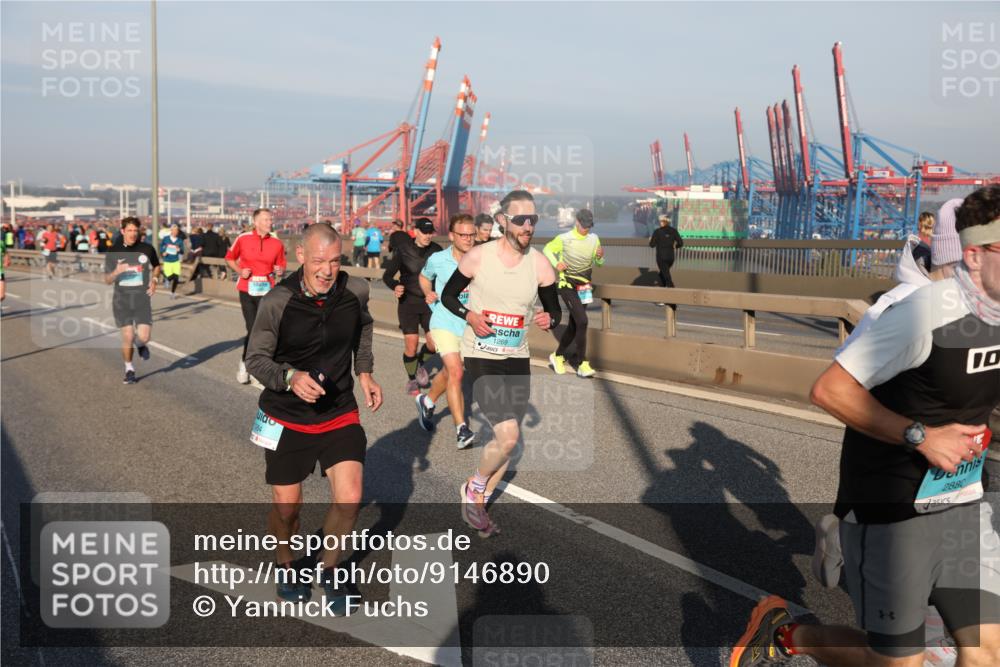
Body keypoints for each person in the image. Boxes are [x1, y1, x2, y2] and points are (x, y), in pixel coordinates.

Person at [730, 184, 1000, 667]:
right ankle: (791, 635)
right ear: (975, 256)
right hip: (894, 509)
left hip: (963, 504)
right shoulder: (921, 313)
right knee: (898, 662)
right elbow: (830, 390)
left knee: (989, 652)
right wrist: (922, 436)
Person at [244, 222, 382, 611]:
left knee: (351, 497)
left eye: (335, 261)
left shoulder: (355, 290)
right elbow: (255, 359)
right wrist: (289, 378)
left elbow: (364, 329)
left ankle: (330, 568)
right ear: (301, 256)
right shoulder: (277, 300)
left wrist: (365, 372)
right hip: (286, 416)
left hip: (338, 410)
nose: (327, 270)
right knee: (288, 509)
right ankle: (286, 564)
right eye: (319, 261)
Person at [440, 190, 560, 537]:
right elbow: (448, 296)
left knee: (510, 440)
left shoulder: (539, 264)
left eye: (533, 220)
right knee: (507, 435)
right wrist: (470, 315)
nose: (528, 226)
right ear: (502, 221)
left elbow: (554, 310)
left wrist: (548, 319)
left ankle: (478, 504)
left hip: (517, 357)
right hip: (481, 354)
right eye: (521, 219)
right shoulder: (479, 257)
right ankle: (474, 487)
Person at [417, 213, 477, 448]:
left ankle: (428, 401)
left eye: (472, 235)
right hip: (443, 321)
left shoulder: (481, 259)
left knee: (451, 372)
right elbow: (424, 277)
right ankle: (461, 429)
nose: (468, 239)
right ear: (452, 235)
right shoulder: (438, 259)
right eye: (463, 235)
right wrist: (427, 293)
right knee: (456, 372)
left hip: (469, 325)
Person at [225, 209, 287, 386]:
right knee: (253, 329)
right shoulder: (243, 238)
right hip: (247, 289)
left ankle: (260, 369)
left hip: (267, 291)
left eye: (270, 219)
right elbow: (229, 258)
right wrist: (239, 271)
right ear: (256, 221)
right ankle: (246, 363)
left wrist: (280, 270)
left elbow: (281, 263)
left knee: (266, 330)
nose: (270, 222)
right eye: (266, 219)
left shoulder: (276, 243)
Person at [382, 217, 442, 395]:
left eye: (431, 232)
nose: (428, 236)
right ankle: (412, 380)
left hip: (429, 303)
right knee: (411, 344)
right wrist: (396, 286)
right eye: (424, 232)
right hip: (408, 302)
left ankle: (420, 364)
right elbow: (387, 276)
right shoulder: (403, 250)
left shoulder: (437, 251)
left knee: (433, 345)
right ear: (415, 231)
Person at [543, 208, 604, 378]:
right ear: (577, 222)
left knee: (575, 325)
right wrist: (557, 263)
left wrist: (600, 256)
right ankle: (582, 363)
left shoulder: (594, 238)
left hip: (584, 287)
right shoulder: (564, 238)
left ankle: (557, 356)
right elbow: (547, 249)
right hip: (567, 285)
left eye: (589, 226)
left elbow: (598, 263)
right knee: (583, 321)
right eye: (583, 225)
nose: (586, 229)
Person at [104, 217, 160, 385]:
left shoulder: (147, 249)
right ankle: (129, 369)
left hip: (142, 300)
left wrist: (155, 280)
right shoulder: (114, 251)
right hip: (122, 300)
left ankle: (140, 344)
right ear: (122, 231)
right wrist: (117, 272)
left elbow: (157, 266)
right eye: (129, 230)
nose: (133, 234)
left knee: (144, 337)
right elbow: (107, 280)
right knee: (127, 336)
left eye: (136, 230)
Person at [648, 213, 683, 291]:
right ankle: (663, 296)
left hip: (661, 257)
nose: (660, 222)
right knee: (663, 274)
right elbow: (681, 243)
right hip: (671, 258)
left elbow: (652, 245)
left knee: (667, 276)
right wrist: (675, 246)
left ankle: (671, 296)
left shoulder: (657, 231)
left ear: (664, 222)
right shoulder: (674, 231)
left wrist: (650, 240)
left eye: (661, 221)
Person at [159, 223, 186, 300]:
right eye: (174, 230)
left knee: (176, 278)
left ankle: (172, 293)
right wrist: (163, 252)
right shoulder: (166, 239)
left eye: (177, 230)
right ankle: (167, 279)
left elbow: (182, 251)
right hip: (167, 260)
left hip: (175, 260)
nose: (175, 232)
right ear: (171, 231)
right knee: (170, 276)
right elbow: (161, 247)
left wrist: (179, 250)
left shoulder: (180, 240)